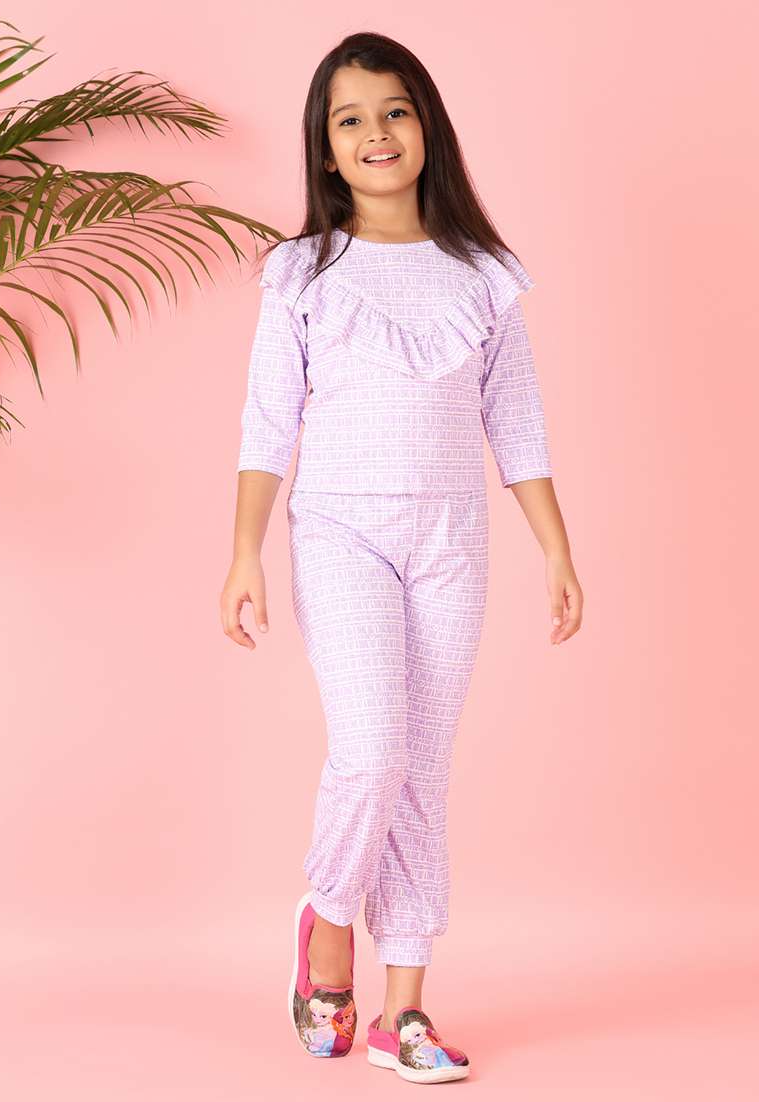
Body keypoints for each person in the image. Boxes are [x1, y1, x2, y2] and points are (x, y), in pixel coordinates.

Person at [220, 30, 583, 1084]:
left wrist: (556, 548)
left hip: (450, 542)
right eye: (350, 119)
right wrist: (243, 553)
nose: (375, 134)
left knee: (423, 767)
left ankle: (403, 1011)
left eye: (394, 111)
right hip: (341, 532)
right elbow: (266, 424)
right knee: (372, 748)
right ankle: (328, 919)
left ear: (426, 127)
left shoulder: (481, 276)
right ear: (325, 149)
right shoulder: (302, 272)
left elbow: (516, 424)